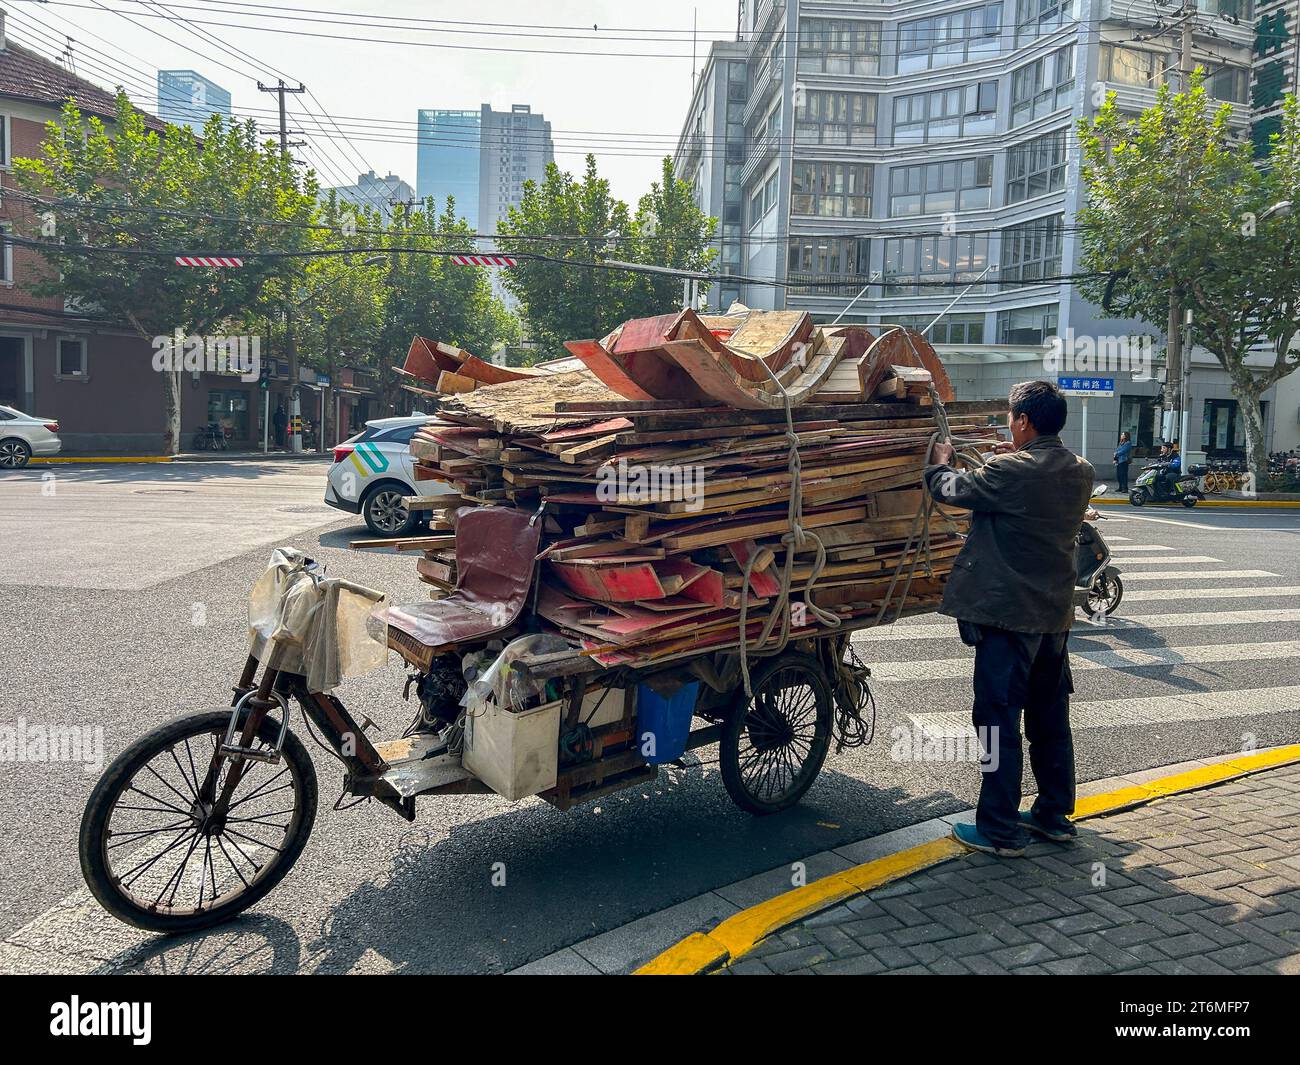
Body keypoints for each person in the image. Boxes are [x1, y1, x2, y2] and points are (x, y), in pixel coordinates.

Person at [923, 380, 1095, 857]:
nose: (1008, 425)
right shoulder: (1079, 470)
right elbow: (1021, 485)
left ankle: (998, 828)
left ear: (1023, 421)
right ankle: (1054, 816)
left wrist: (937, 461)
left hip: (1009, 618)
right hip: (1054, 619)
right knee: (1049, 718)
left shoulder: (1013, 471)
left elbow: (950, 488)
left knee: (998, 721)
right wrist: (1007, 459)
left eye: (1011, 418)